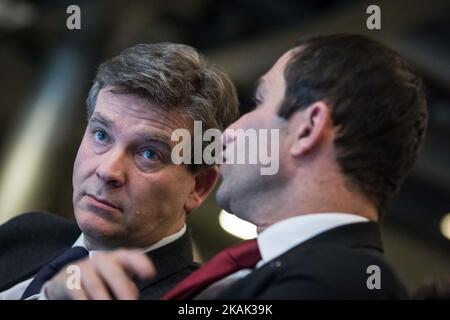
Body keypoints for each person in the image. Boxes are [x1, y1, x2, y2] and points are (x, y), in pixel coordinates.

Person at [163, 33, 428, 299]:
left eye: (259, 101)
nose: (229, 132)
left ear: (308, 129)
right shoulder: (320, 272)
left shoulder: (341, 283)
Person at [0, 43, 239, 300]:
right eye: (102, 135)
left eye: (150, 154)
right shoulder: (26, 234)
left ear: (198, 186)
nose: (108, 171)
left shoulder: (200, 298)